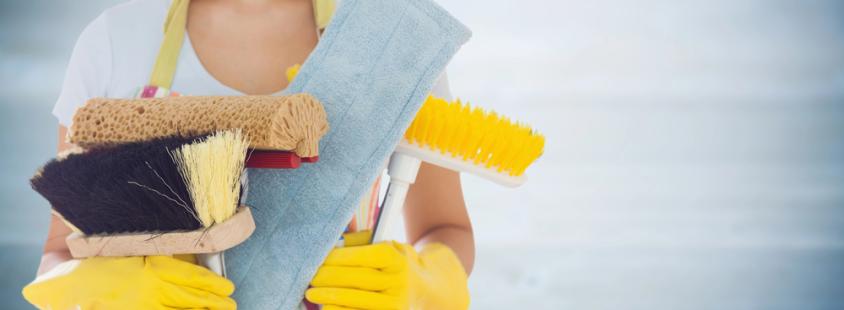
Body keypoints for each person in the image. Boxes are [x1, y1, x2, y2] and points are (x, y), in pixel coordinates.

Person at [23, 0, 474, 309]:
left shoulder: (391, 43)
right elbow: (58, 252)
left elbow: (445, 227)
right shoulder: (115, 41)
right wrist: (102, 292)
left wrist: (423, 284)